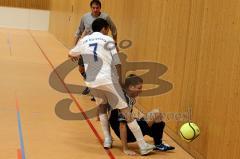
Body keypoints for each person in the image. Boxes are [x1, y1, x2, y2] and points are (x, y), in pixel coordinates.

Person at [69, 18, 155, 155]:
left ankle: (107, 139)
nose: (108, 30)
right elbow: (117, 62)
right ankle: (142, 145)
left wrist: (71, 56)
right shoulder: (108, 40)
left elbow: (71, 53)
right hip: (107, 78)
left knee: (102, 108)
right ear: (103, 28)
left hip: (92, 81)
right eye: (107, 28)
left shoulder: (84, 40)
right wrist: (120, 82)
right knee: (126, 112)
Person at [109, 74, 175, 155]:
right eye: (139, 88)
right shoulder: (124, 101)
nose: (141, 90)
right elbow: (122, 125)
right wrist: (125, 149)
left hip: (127, 130)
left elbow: (110, 117)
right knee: (156, 113)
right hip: (127, 134)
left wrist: (108, 136)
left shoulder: (127, 96)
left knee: (157, 115)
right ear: (131, 87)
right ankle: (158, 143)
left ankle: (157, 141)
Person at [75, 0, 118, 96]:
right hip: (86, 47)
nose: (95, 10)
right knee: (81, 69)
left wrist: (115, 42)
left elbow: (114, 29)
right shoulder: (85, 17)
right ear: (91, 8)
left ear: (100, 8)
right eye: (93, 8)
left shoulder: (105, 17)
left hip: (99, 48)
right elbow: (79, 31)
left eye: (97, 8)